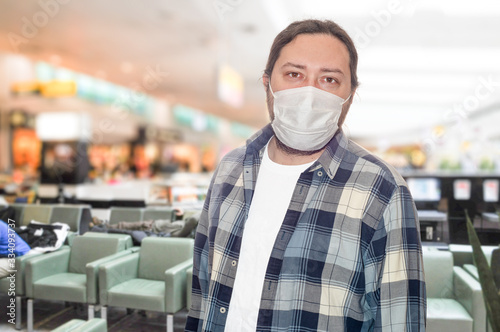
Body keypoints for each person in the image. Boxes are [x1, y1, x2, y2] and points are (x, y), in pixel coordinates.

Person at [186, 19, 426, 332]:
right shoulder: (229, 171)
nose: (309, 92)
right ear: (267, 83)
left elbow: (400, 319)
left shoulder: (382, 189)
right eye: (294, 74)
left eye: (328, 79)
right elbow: (202, 288)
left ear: (349, 95)